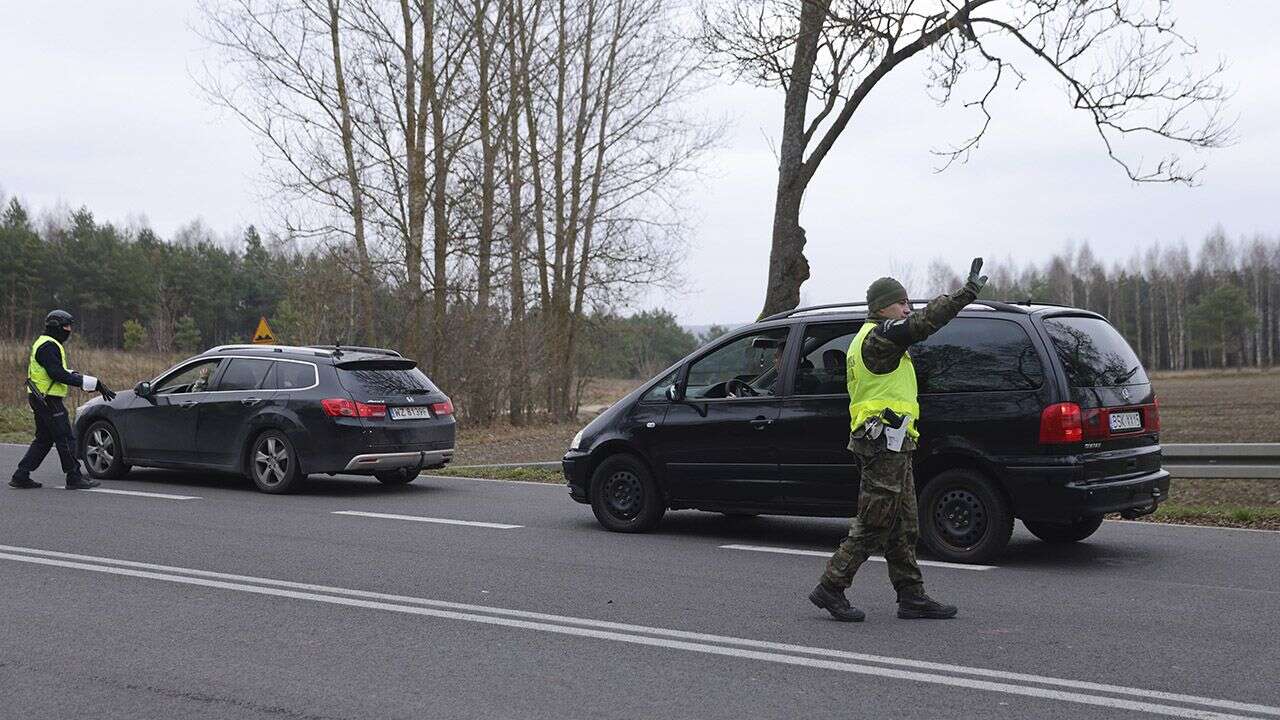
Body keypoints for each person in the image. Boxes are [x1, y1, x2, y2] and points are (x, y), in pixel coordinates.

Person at [808, 258, 988, 622]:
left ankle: (911, 596)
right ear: (882, 307)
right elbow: (922, 323)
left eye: (908, 301)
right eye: (901, 301)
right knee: (874, 521)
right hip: (881, 444)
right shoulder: (880, 337)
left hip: (893, 441)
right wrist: (964, 295)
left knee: (905, 525)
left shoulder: (876, 339)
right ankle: (831, 586)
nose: (908, 307)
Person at [9, 310, 117, 490]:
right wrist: (88, 382)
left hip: (40, 397)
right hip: (48, 399)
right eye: (67, 326)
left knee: (44, 439)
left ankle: (21, 475)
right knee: (65, 437)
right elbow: (56, 373)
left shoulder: (45, 343)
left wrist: (90, 382)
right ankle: (74, 477)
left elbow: (57, 370)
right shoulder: (49, 346)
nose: (69, 330)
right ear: (56, 327)